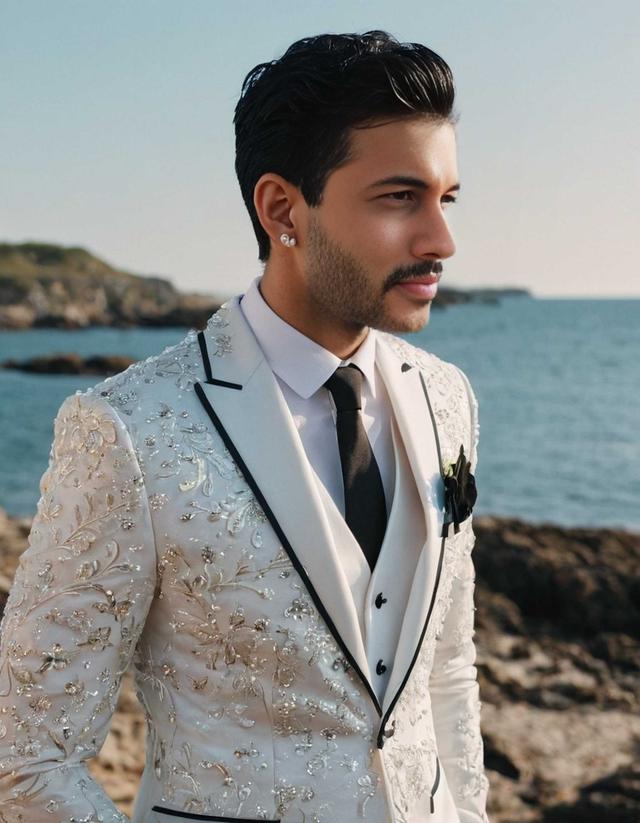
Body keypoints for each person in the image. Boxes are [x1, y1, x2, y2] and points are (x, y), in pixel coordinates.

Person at [0, 30, 490, 823]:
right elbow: (23, 754)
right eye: (401, 197)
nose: (442, 240)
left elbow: (446, 667)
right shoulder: (128, 430)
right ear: (282, 209)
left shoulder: (447, 397)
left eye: (447, 198)